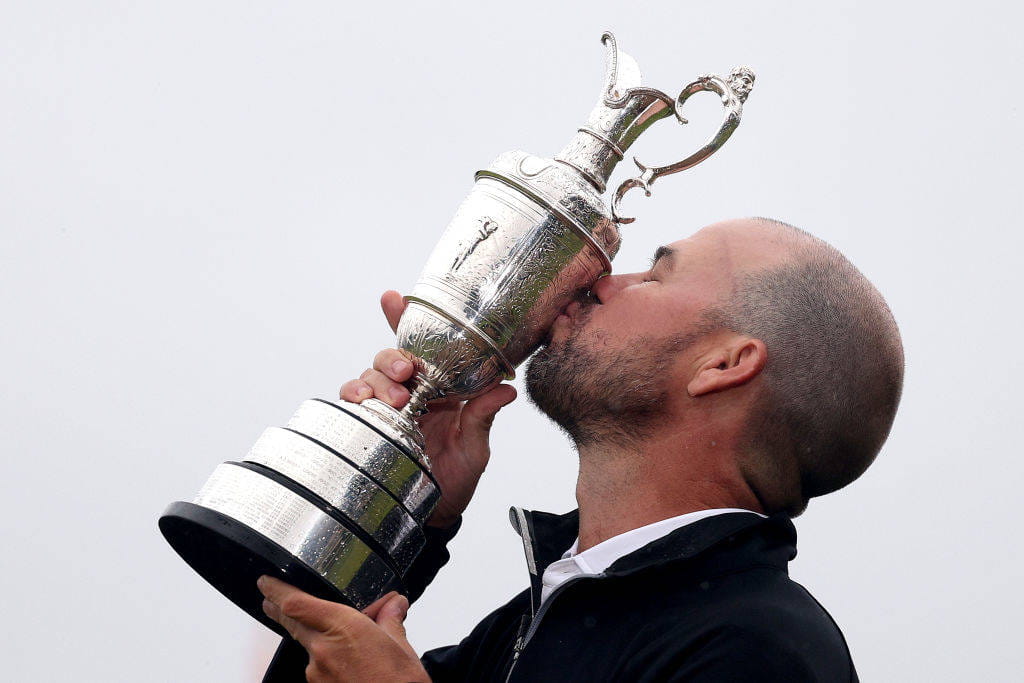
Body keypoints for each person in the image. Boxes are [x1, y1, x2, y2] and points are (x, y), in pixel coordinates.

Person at [256, 217, 904, 682]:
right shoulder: (530, 625)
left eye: (654, 275)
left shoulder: (760, 649)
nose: (599, 280)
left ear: (724, 364)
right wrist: (402, 507)